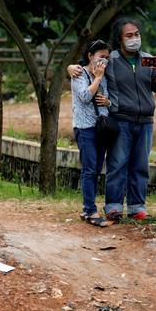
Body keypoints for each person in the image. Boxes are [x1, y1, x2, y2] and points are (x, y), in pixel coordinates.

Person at [68, 18, 156, 221]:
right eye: (128, 35)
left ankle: (137, 207)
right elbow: (88, 67)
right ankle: (113, 207)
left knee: (140, 165)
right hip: (120, 119)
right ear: (119, 39)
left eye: (136, 34)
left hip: (145, 121)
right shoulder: (111, 59)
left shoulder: (147, 60)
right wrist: (70, 67)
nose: (134, 38)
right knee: (117, 164)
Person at [71, 39, 113, 227]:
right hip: (85, 127)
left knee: (96, 169)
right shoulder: (79, 74)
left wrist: (108, 102)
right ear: (90, 56)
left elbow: (109, 98)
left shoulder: (105, 75)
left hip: (101, 128)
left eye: (107, 57)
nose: (104, 61)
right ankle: (90, 210)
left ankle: (87, 208)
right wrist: (97, 78)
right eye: (101, 56)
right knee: (89, 169)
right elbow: (85, 97)